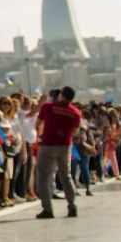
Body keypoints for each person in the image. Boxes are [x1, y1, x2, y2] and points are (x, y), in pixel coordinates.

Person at [35, 86, 81, 219]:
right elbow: (75, 131)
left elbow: (38, 123)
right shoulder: (76, 112)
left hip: (48, 144)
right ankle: (72, 207)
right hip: (65, 145)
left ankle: (47, 209)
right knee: (66, 176)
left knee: (44, 177)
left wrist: (40, 135)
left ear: (61, 95)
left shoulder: (48, 107)